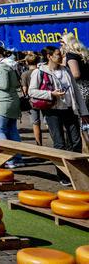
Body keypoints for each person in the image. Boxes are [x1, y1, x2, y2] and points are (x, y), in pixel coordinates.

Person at [28, 45, 89, 184]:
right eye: (57, 54)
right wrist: (51, 94)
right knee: (59, 143)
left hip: (69, 109)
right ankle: (63, 176)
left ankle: (78, 172)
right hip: (52, 111)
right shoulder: (39, 72)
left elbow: (76, 91)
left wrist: (84, 111)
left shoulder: (66, 70)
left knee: (76, 141)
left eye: (60, 54)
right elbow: (32, 92)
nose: (61, 56)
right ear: (49, 57)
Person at [20, 51, 43, 146]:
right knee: (48, 121)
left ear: (26, 62)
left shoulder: (25, 74)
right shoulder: (42, 72)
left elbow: (25, 90)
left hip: (32, 101)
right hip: (45, 98)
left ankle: (39, 144)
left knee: (36, 123)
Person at [61, 33, 89, 108]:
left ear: (67, 43)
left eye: (62, 43)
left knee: (82, 116)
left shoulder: (71, 55)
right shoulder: (83, 53)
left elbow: (76, 74)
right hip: (87, 86)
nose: (61, 46)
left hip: (80, 88)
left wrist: (65, 80)